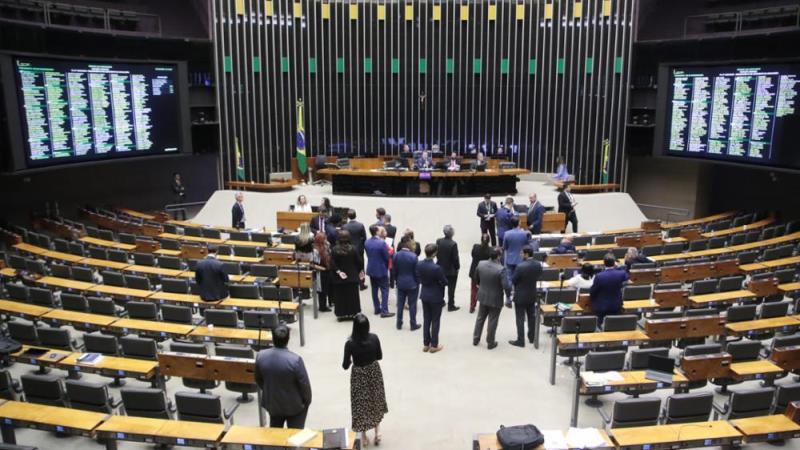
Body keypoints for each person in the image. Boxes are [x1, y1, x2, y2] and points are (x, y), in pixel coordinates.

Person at [342, 314, 388, 447]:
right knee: (375, 399)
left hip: (359, 374)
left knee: (360, 403)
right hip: (373, 371)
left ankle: (363, 435)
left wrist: (350, 360)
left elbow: (345, 365)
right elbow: (379, 356)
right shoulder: (374, 338)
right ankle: (377, 430)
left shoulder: (350, 343)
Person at [255, 324, 312, 428]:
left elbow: (258, 379)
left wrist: (270, 391)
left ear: (273, 338)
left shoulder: (260, 356)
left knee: (275, 434)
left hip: (273, 404)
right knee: (295, 437)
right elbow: (304, 386)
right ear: (288, 339)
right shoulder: (295, 360)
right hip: (295, 407)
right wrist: (307, 402)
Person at [473, 247, 510, 350]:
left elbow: (476, 277)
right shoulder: (501, 269)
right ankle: (490, 342)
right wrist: (508, 296)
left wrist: (480, 285)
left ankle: (476, 339)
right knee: (492, 320)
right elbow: (506, 286)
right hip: (495, 298)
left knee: (480, 318)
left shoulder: (481, 264)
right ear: (498, 256)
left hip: (483, 295)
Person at [509, 246, 542, 347]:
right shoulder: (538, 264)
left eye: (522, 253)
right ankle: (532, 338)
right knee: (531, 317)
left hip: (520, 295)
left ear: (527, 254)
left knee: (520, 318)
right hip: (532, 294)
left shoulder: (520, 266)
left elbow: (513, 280)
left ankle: (520, 340)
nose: (520, 255)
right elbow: (539, 275)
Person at [417, 244, 447, 353]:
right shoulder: (436, 268)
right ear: (434, 254)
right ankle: (434, 345)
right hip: (435, 296)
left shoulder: (419, 264)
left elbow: (418, 276)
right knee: (435, 320)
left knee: (426, 319)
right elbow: (444, 282)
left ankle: (426, 344)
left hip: (424, 294)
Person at [329, 230, 364, 320]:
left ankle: (341, 314)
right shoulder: (353, 248)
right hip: (352, 277)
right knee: (353, 296)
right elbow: (359, 262)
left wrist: (338, 272)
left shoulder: (334, 249)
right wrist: (360, 270)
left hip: (339, 278)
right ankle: (353, 313)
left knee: (340, 297)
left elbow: (332, 263)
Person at [589, 254, 629, 326]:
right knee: (615, 325)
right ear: (614, 263)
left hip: (602, 306)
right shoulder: (621, 273)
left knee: (600, 325)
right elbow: (626, 276)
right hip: (616, 305)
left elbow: (593, 292)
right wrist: (618, 267)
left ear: (604, 263)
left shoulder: (599, 276)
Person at [502, 216, 532, 307]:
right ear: (519, 223)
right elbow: (528, 245)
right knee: (520, 280)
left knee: (509, 279)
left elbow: (505, 247)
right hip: (521, 260)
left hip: (510, 259)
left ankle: (508, 299)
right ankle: (519, 298)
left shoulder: (507, 234)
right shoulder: (525, 233)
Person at [365, 225, 393, 318]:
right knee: (385, 290)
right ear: (377, 231)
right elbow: (386, 257)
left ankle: (377, 308)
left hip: (371, 268)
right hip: (381, 269)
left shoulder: (367, 242)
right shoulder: (381, 243)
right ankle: (384, 311)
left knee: (374, 289)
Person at [392, 240, 420, 330]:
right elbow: (416, 272)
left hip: (400, 283)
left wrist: (396, 280)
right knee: (412, 305)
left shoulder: (396, 255)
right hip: (412, 284)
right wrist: (417, 282)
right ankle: (413, 324)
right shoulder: (414, 256)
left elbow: (394, 271)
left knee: (400, 305)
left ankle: (399, 323)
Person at [436, 225, 461, 312]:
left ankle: (440, 301)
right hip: (451, 270)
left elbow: (437, 253)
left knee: (441, 286)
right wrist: (457, 267)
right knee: (451, 288)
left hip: (440, 267)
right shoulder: (453, 244)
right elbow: (455, 258)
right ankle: (451, 305)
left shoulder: (439, 241)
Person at [468, 233, 494, 313]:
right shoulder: (491, 250)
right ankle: (486, 306)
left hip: (475, 271)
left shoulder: (475, 247)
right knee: (487, 289)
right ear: (489, 240)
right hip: (485, 272)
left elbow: (472, 255)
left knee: (474, 289)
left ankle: (472, 306)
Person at [343, 209, 368, 290]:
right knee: (360, 266)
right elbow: (364, 238)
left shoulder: (345, 226)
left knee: (350, 265)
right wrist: (361, 247)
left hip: (349, 249)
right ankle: (361, 283)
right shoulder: (360, 225)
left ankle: (352, 282)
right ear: (355, 215)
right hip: (359, 249)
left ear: (348, 216)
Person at [313, 231, 332, 312]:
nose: (326, 240)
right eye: (324, 238)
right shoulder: (315, 251)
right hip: (320, 272)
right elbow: (313, 265)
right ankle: (322, 307)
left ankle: (326, 304)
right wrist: (323, 269)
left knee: (326, 289)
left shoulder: (325, 246)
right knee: (322, 291)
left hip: (327, 270)